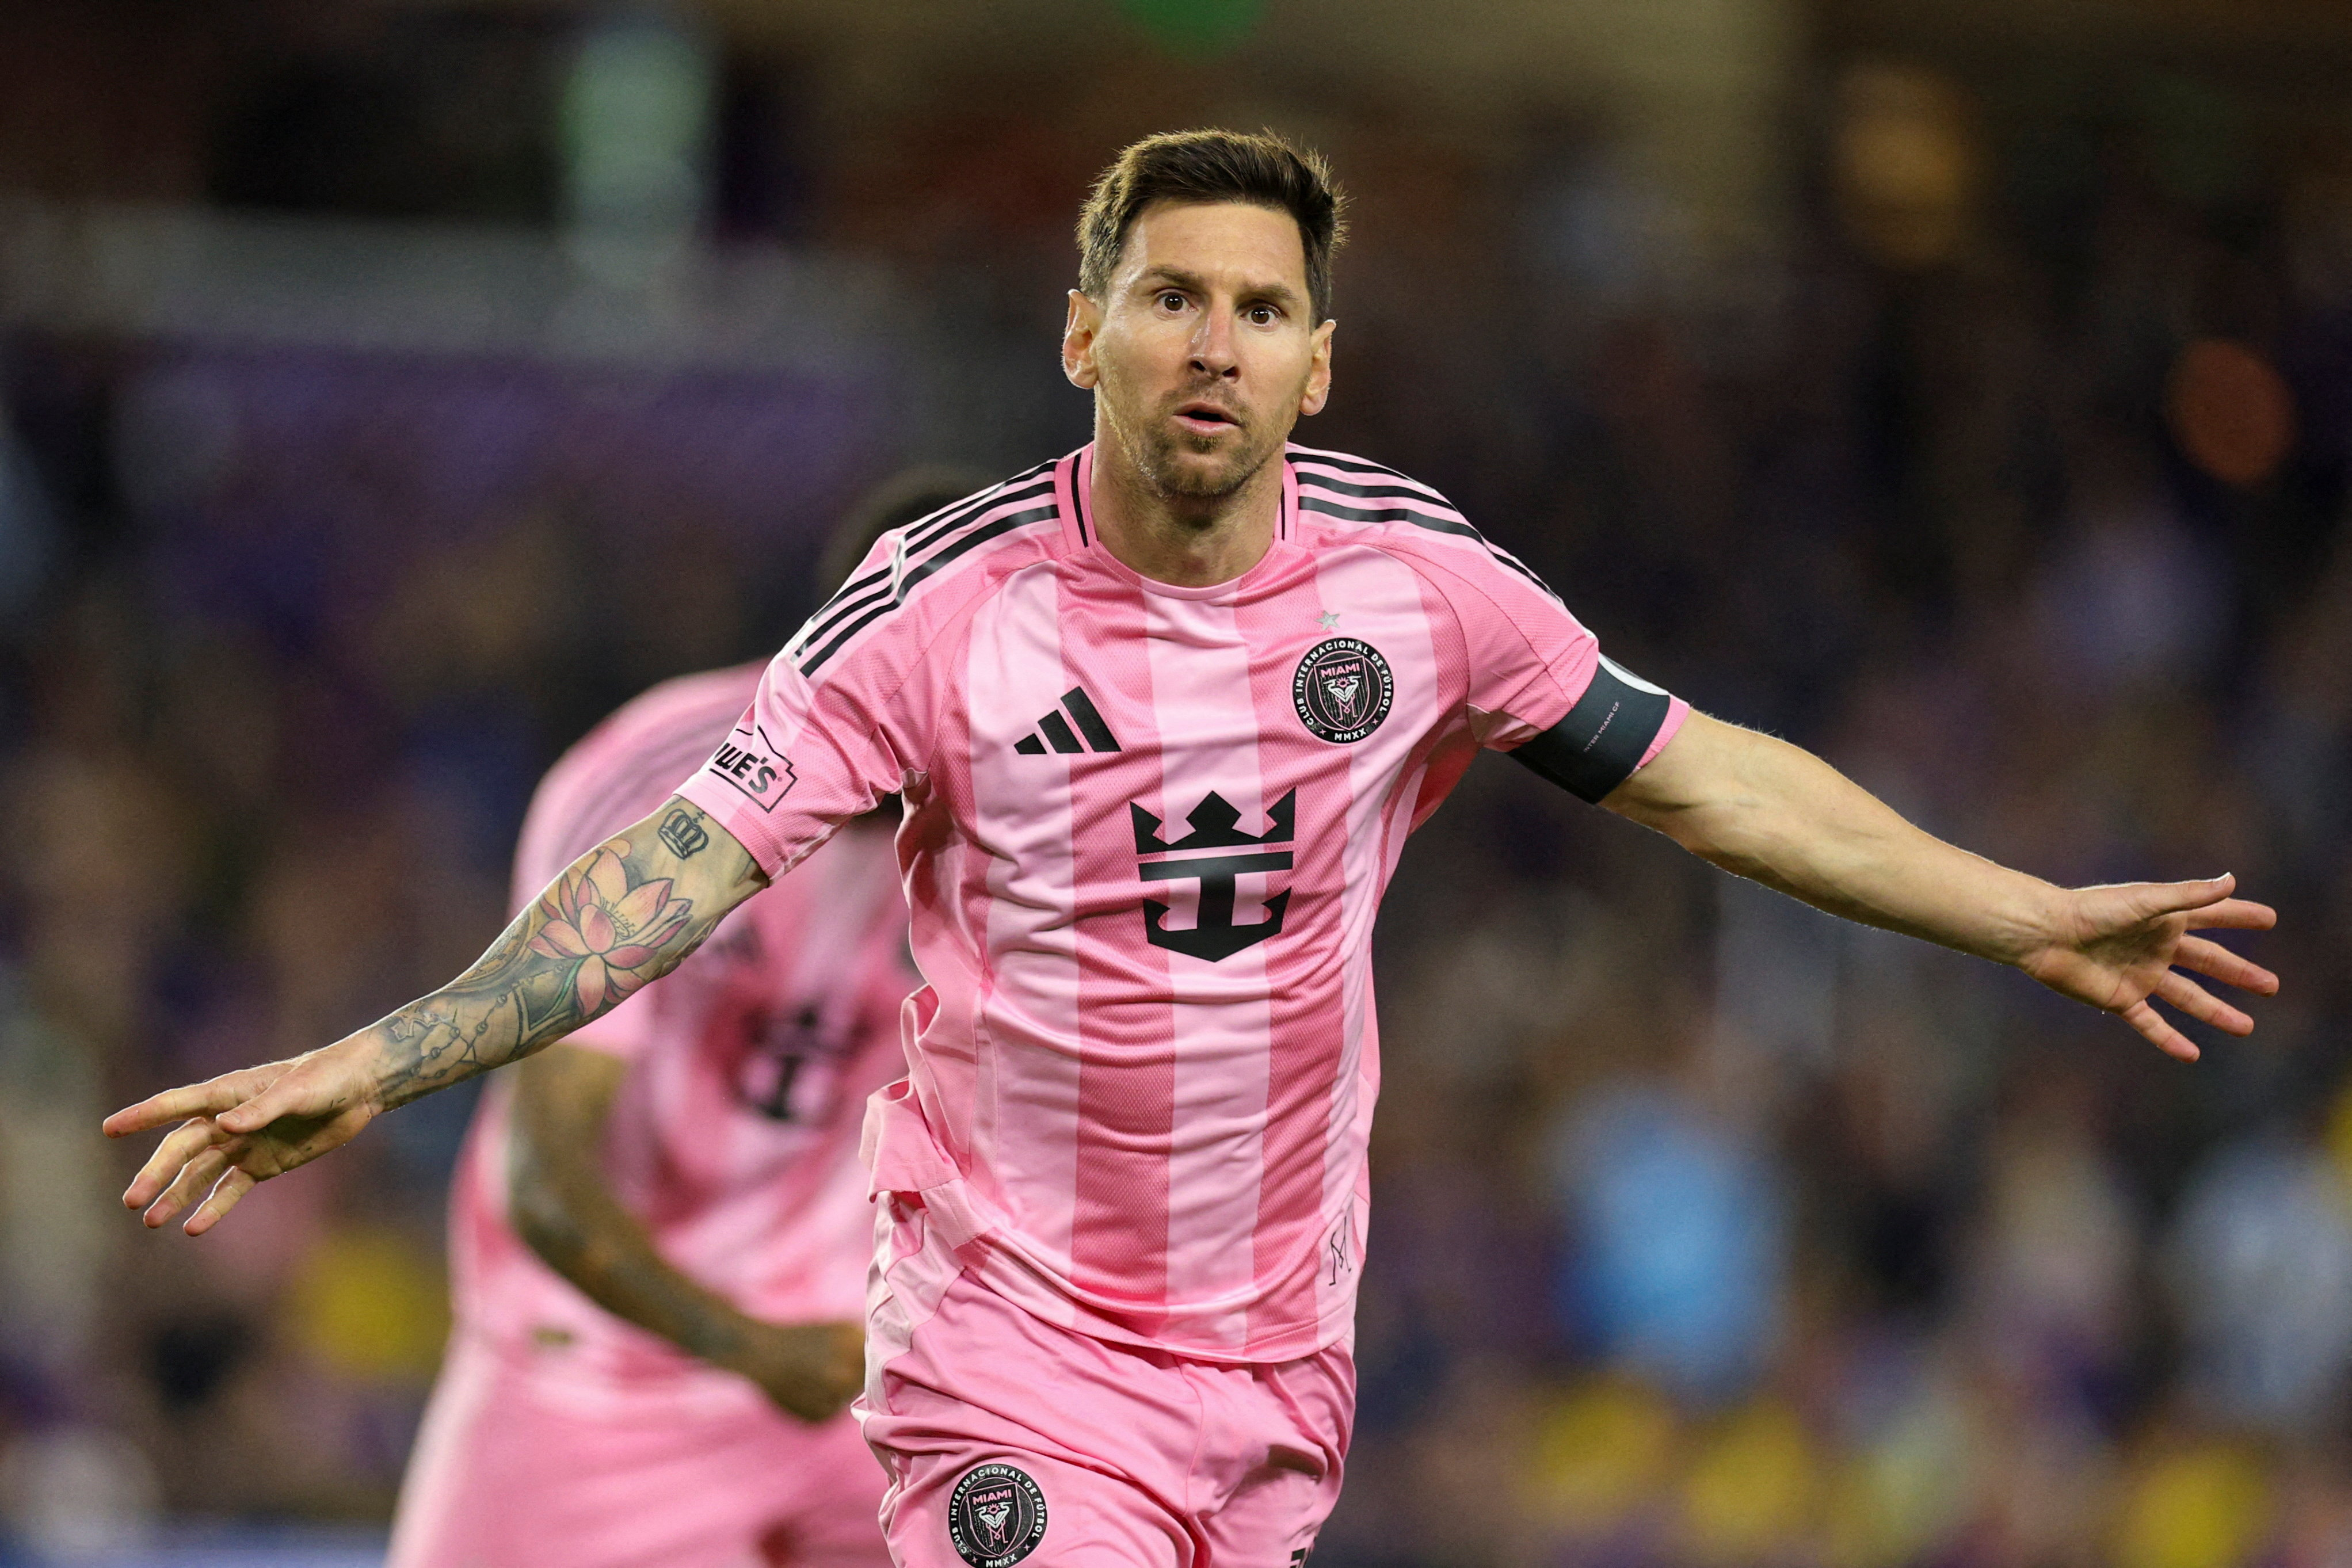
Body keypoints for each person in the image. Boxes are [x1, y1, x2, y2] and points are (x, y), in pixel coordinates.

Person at [109, 129, 2279, 1568]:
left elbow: (1706, 772)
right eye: (1165, 297)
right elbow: (655, 882)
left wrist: (2018, 914)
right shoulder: (943, 610)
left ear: (1317, 363)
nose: (1209, 341)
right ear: (1083, 336)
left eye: (1256, 307)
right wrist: (370, 1064)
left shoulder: (1418, 594)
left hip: (1267, 1365)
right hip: (997, 1347)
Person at [383, 476, 975, 1568]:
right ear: (849, 639)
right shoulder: (670, 788)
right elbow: (544, 1178)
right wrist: (747, 1347)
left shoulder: (1035, 818)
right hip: (605, 1374)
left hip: (869, 1373)